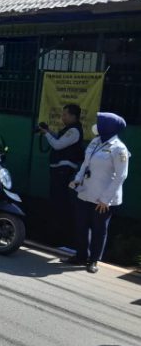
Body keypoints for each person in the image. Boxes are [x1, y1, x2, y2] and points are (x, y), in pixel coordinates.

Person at [64, 112, 130, 274]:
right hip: (86, 191)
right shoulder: (95, 141)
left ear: (108, 126)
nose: (96, 125)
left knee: (99, 229)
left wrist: (105, 200)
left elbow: (121, 176)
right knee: (81, 225)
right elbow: (86, 164)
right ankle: (80, 256)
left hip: (103, 198)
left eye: (100, 122)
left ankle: (94, 260)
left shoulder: (119, 149)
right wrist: (77, 179)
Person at [39, 104, 84, 245]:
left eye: (65, 114)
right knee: (55, 203)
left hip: (63, 172)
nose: (62, 117)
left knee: (59, 204)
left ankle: (58, 238)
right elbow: (58, 139)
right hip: (58, 171)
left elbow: (58, 145)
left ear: (73, 116)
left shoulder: (74, 131)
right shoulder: (68, 130)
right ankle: (53, 235)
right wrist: (48, 131)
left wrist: (46, 134)